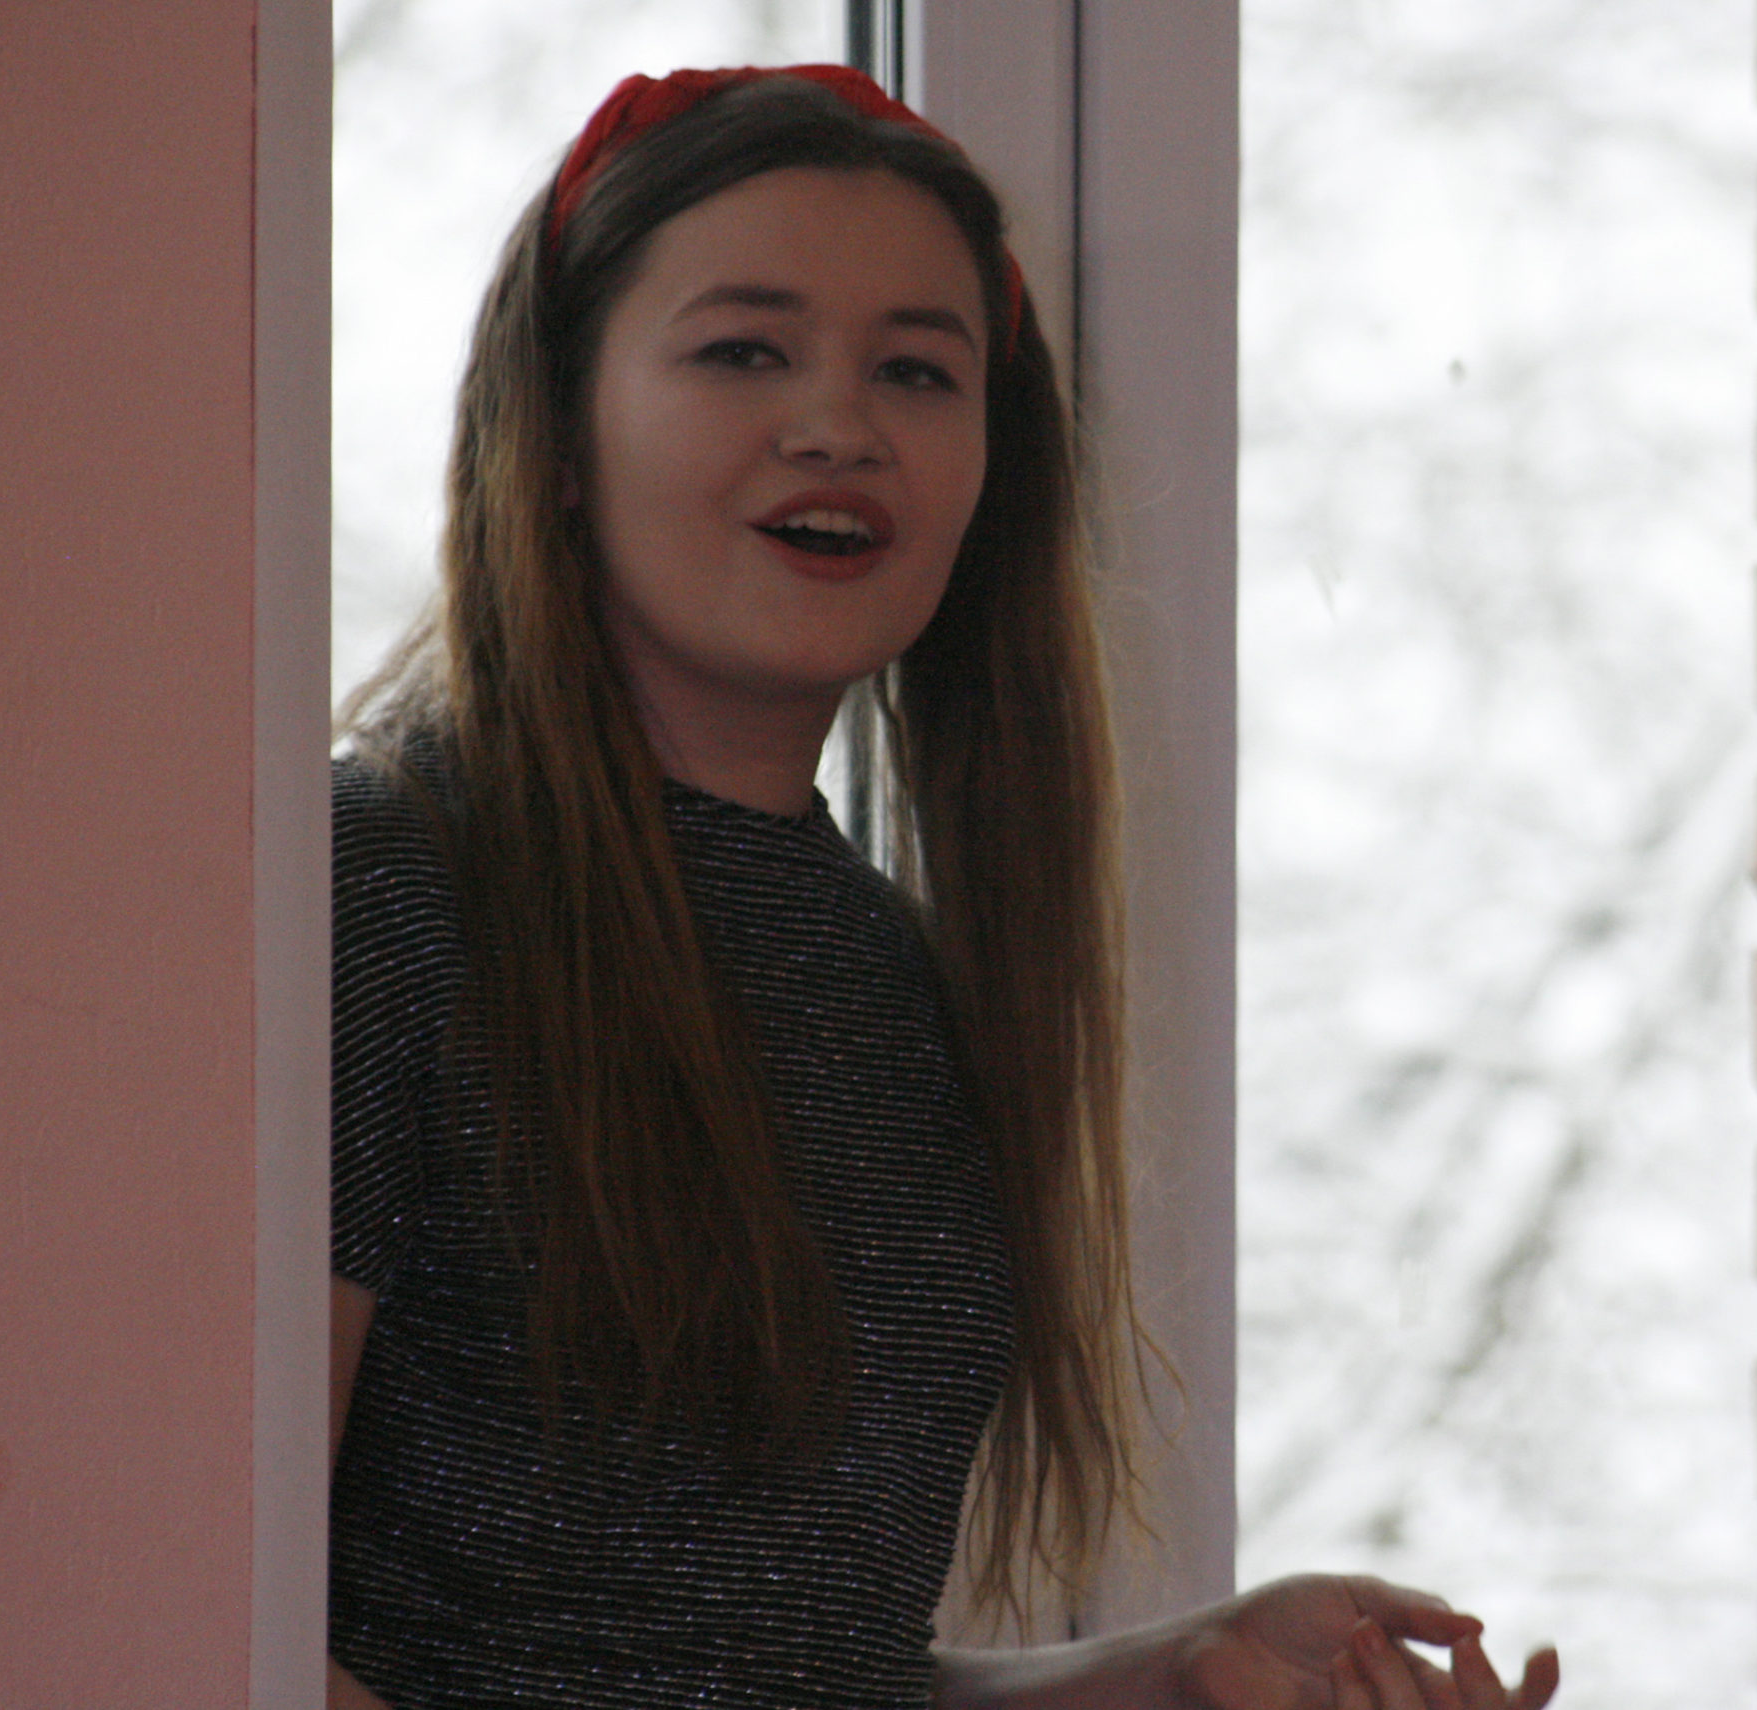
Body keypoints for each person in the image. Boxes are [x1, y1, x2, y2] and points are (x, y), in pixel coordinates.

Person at [327, 64, 1561, 1710]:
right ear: (553, 431)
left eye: (916, 369)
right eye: (743, 349)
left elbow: (801, 1674)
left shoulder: (906, 982)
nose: (839, 426)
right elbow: (201, 1605)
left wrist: (1178, 1675)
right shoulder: (373, 886)